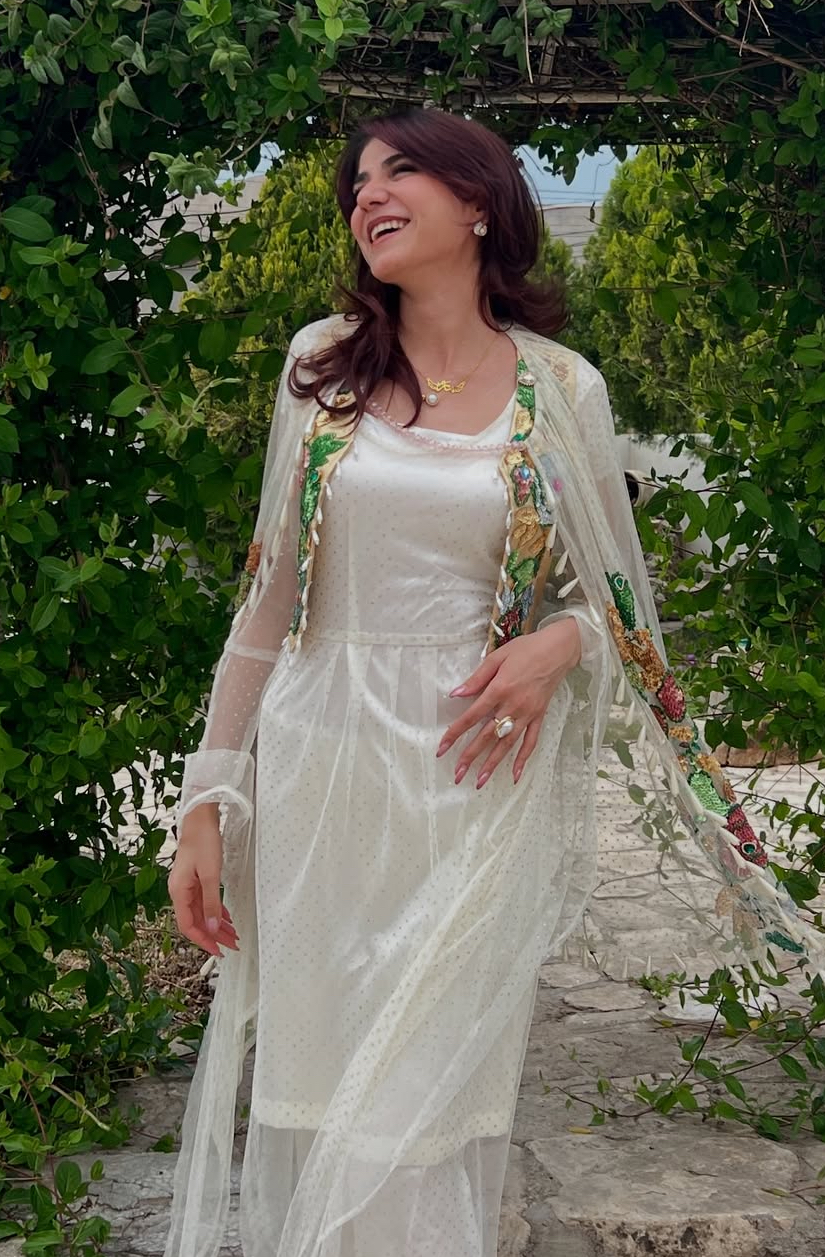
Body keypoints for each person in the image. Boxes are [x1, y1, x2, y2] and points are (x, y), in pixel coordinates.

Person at [165, 108, 823, 1257]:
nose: (369, 194)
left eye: (400, 171)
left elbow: (611, 603)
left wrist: (557, 645)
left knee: (427, 1103)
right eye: (358, 183)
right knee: (325, 1102)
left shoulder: (563, 390)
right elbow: (268, 604)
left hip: (474, 785)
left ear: (477, 202)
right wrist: (207, 801)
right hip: (326, 779)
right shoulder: (320, 369)